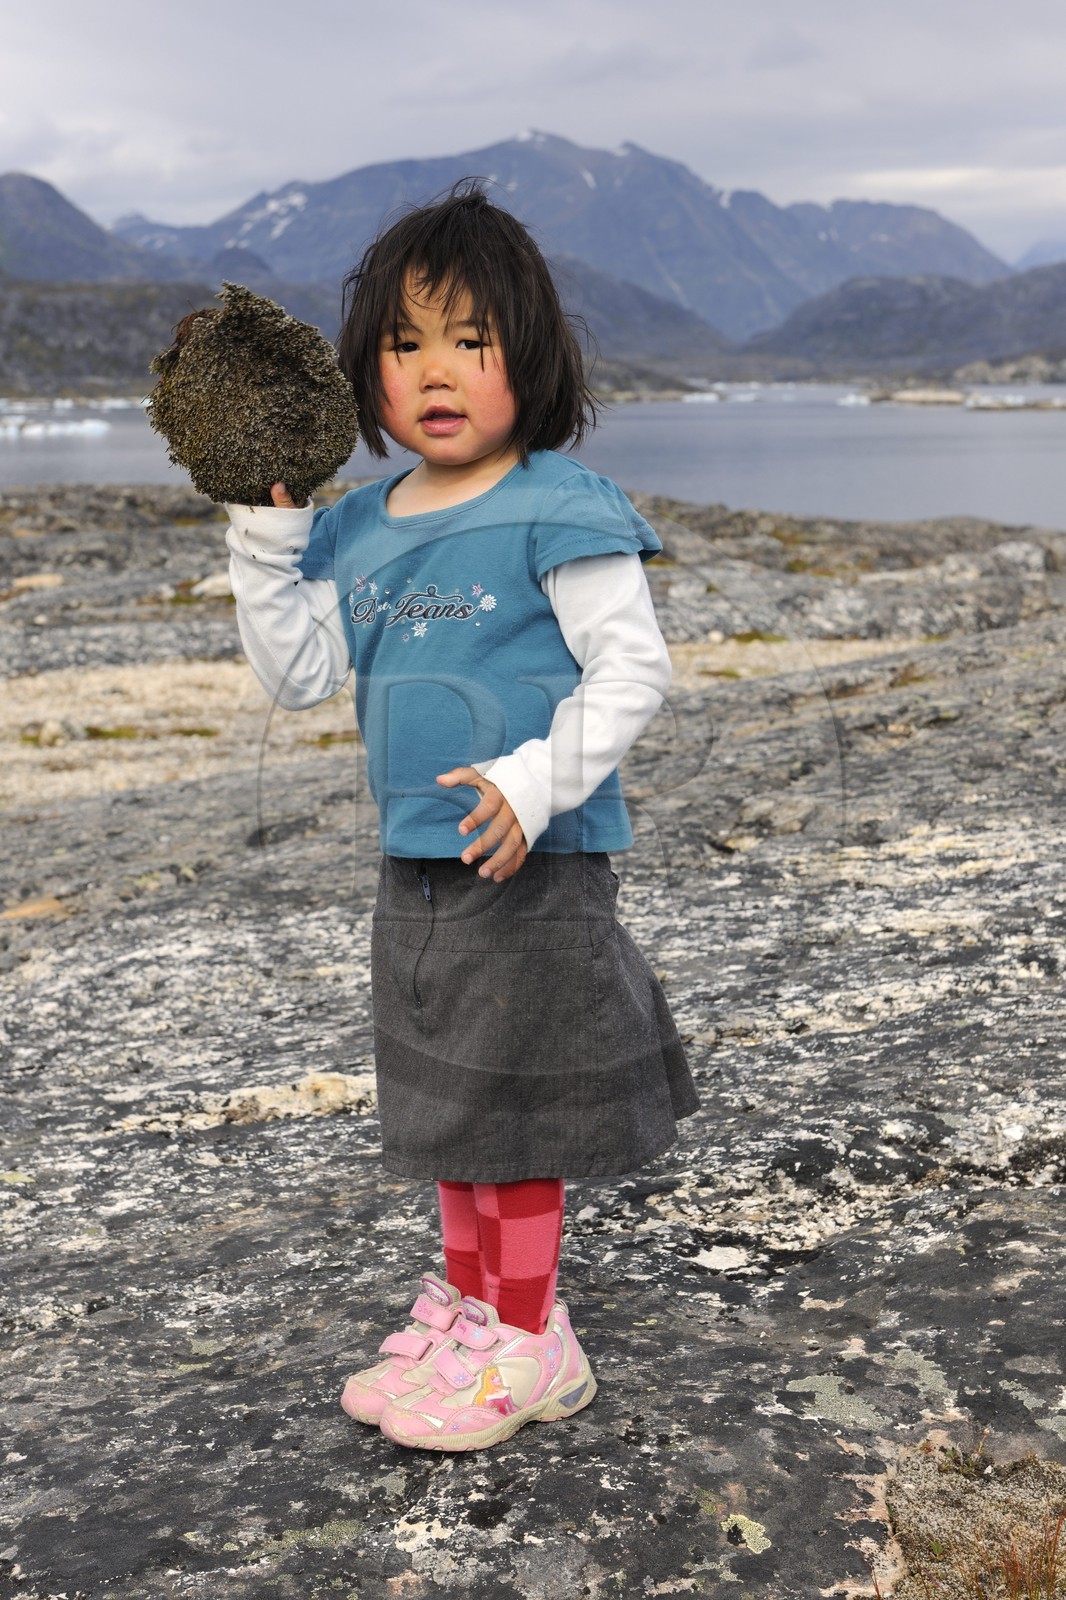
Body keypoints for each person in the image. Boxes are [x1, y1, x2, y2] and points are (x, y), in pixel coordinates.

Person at [224, 182, 699, 1453]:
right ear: (365, 370)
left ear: (526, 358)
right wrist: (264, 545)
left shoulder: (562, 504)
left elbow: (631, 671)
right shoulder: (363, 528)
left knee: (520, 1103)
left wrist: (535, 782)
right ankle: (476, 1306)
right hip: (418, 865)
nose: (436, 371)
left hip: (530, 861)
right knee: (451, 1101)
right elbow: (297, 673)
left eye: (471, 341)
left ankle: (527, 1334)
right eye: (405, 342)